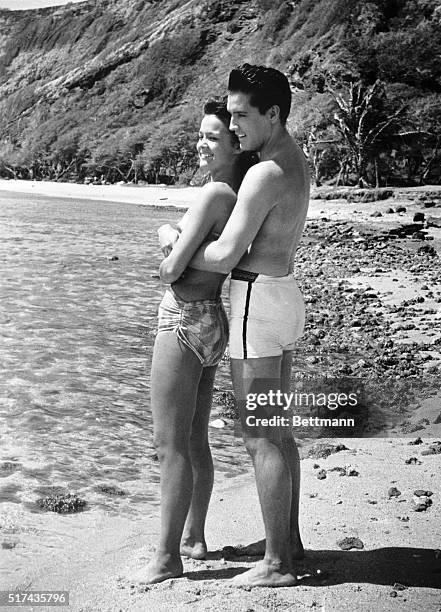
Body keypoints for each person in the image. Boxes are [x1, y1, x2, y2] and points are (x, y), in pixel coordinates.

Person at [189, 64, 310, 587]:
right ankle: (290, 543)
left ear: (273, 114)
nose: (233, 126)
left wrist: (177, 241)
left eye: (241, 116)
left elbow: (224, 254)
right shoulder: (294, 158)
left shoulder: (262, 173)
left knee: (260, 435)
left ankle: (277, 563)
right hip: (283, 295)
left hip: (256, 306)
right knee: (279, 434)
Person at [133, 98, 253, 584]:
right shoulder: (234, 193)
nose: (202, 144)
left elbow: (171, 269)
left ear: (232, 144)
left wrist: (167, 234)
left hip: (181, 318)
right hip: (212, 319)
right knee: (195, 439)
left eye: (213, 137)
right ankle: (193, 537)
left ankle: (166, 558)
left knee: (169, 445)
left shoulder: (211, 196)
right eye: (200, 135)